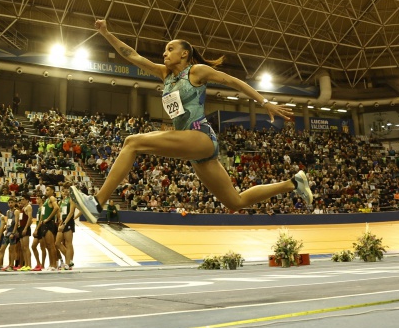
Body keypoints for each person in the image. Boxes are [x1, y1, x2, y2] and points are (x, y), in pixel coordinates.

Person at [70, 19, 312, 223]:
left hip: (201, 135)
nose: (164, 53)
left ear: (184, 53)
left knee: (132, 142)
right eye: (165, 50)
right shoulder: (164, 74)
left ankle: (97, 202)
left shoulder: (196, 72)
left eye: (170, 49)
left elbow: (233, 82)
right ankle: (293, 183)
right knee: (235, 201)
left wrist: (264, 103)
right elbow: (132, 55)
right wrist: (106, 33)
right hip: (195, 149)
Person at [56, 184, 76, 270]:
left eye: (67, 189)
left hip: (68, 222)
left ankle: (68, 263)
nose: (66, 191)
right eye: (64, 190)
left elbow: (71, 213)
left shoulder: (71, 199)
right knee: (57, 243)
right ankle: (69, 260)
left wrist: (64, 223)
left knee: (68, 243)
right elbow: (61, 213)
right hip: (62, 222)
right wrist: (60, 221)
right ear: (62, 191)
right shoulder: (61, 201)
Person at [17, 195, 33, 272]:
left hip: (25, 228)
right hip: (21, 228)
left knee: (26, 247)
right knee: (23, 248)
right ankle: (26, 264)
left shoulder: (28, 207)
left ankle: (29, 265)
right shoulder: (23, 208)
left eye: (23, 199)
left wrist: (26, 228)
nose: (21, 201)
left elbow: (30, 218)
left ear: (27, 200)